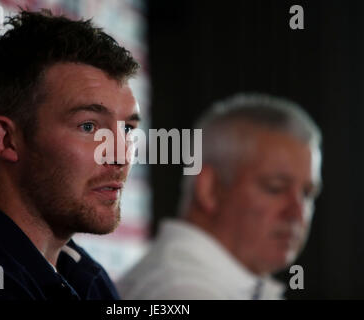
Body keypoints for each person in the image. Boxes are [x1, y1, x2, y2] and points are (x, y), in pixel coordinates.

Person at [0, 10, 140, 300]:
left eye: (128, 129)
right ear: (6, 139)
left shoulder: (81, 274)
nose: (120, 155)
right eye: (89, 126)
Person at [118, 93, 322, 299]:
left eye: (307, 193)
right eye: (275, 188)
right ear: (209, 188)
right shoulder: (181, 292)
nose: (297, 212)